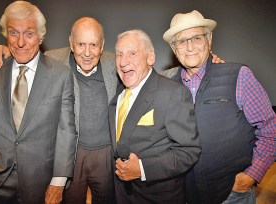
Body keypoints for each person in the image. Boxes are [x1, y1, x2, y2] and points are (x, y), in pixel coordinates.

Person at [0, 17, 118, 204]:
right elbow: (23, 55)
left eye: (93, 45)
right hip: (69, 154)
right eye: (80, 44)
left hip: (105, 153)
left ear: (102, 45)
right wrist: (4, 50)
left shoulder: (115, 63)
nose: (87, 52)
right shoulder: (52, 60)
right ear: (71, 43)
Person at [162, 10, 276, 204]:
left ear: (209, 39)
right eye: (181, 41)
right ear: (174, 48)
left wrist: (250, 176)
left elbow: (270, 129)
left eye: (196, 37)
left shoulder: (238, 76)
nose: (189, 47)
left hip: (232, 195)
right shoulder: (168, 86)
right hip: (184, 195)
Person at [0, 1, 78, 204]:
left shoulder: (61, 75)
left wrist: (58, 181)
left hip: (40, 185)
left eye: (29, 33)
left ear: (41, 36)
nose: (20, 42)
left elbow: (66, 131)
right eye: (13, 33)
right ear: (5, 33)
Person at [109, 29, 201, 203]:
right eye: (119, 54)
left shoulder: (174, 93)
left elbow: (189, 150)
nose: (123, 62)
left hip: (156, 196)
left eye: (132, 53)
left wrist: (142, 168)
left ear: (150, 58)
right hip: (121, 194)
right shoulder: (120, 93)